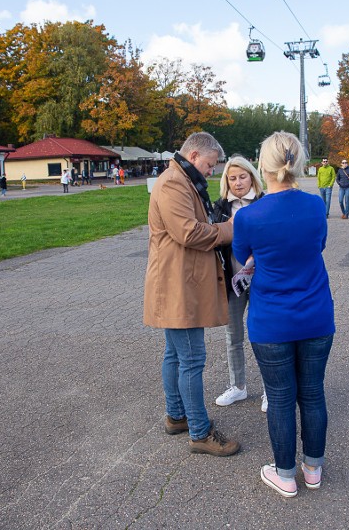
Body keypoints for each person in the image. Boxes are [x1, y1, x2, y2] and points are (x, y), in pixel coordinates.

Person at [233, 131, 336, 497]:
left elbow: (242, 255)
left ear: (263, 166)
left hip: (271, 320)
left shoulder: (248, 216)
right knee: (312, 392)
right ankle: (313, 469)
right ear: (298, 162)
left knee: (279, 397)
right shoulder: (314, 205)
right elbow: (318, 245)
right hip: (316, 315)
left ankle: (285, 474)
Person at [143, 131, 240, 457]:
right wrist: (231, 229)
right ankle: (200, 432)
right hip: (177, 286)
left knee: (175, 355)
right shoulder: (173, 183)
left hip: (179, 283)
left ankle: (177, 416)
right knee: (192, 359)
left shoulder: (183, 180)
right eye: (211, 165)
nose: (212, 172)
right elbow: (188, 232)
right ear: (195, 155)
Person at [212, 155, 266, 412]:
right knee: (232, 335)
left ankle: (270, 389)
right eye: (232, 178)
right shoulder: (220, 206)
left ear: (252, 176)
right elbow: (213, 237)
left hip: (262, 280)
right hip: (232, 282)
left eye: (242, 177)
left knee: (264, 336)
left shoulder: (265, 202)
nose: (237, 182)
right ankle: (238, 386)